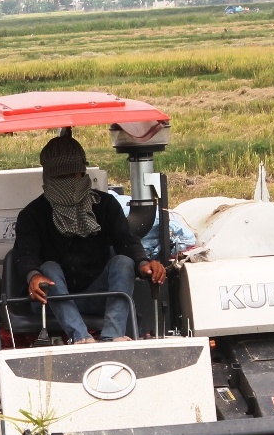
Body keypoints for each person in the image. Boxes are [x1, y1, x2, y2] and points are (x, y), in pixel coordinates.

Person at [13, 134, 165, 343]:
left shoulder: (105, 205)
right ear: (47, 177)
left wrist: (143, 262)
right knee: (48, 267)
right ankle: (81, 338)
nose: (69, 182)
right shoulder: (33, 214)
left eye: (74, 175)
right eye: (60, 178)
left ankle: (112, 336)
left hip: (98, 294)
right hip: (50, 299)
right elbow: (25, 255)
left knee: (123, 262)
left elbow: (126, 241)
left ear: (83, 172)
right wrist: (33, 276)